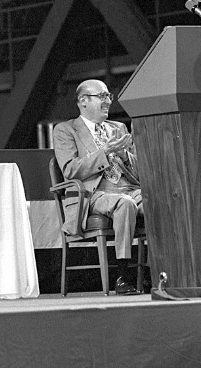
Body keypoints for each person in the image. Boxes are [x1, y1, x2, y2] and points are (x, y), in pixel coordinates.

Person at [52, 79, 142, 295]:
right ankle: (123, 276)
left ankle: (167, 270)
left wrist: (124, 155)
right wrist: (105, 153)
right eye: (102, 96)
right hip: (93, 195)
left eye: (109, 96)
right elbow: (70, 170)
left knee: (162, 199)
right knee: (125, 204)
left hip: (129, 188)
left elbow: (139, 172)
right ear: (83, 101)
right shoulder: (66, 130)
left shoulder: (118, 128)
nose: (108, 101)